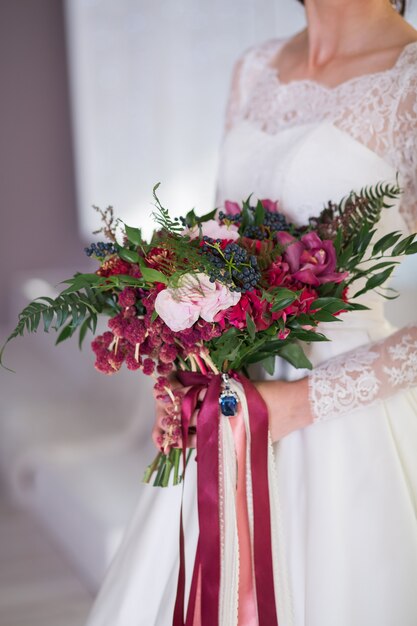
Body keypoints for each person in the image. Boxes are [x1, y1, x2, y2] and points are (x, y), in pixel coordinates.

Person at [85, 1, 417, 624]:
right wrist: (185, 370)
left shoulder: (411, 81)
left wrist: (301, 403)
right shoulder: (254, 68)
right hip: (226, 414)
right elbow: (218, 246)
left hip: (347, 432)